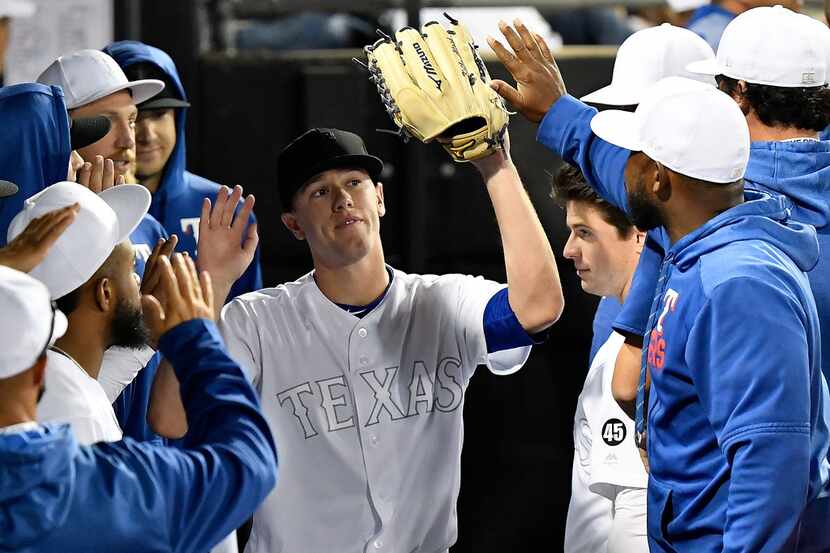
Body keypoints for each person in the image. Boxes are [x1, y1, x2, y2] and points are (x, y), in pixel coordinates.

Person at [150, 125, 562, 552]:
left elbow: (538, 308)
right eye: (319, 192)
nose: (342, 199)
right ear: (293, 224)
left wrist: (497, 167)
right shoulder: (256, 320)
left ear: (379, 199)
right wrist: (213, 283)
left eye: (354, 183)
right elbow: (172, 419)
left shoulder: (442, 303)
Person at [0, 251, 278, 553]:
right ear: (41, 369)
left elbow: (93, 388)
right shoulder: (106, 487)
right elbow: (249, 463)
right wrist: (195, 340)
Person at [103, 41, 263, 299]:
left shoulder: (224, 208)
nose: (145, 135)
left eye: (160, 114)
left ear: (178, 119)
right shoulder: (80, 210)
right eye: (135, 119)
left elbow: (249, 320)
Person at [6, 181, 153, 444]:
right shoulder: (81, 412)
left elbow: (91, 386)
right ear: (105, 293)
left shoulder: (39, 372)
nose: (139, 281)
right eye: (131, 270)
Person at [552, 165, 648, 553]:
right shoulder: (620, 340)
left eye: (585, 232)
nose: (568, 249)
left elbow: (636, 512)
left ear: (639, 235)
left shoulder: (637, 355)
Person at [37, 48, 167, 274]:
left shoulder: (150, 228)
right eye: (106, 123)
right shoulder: (27, 232)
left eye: (132, 120)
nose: (128, 141)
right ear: (57, 132)